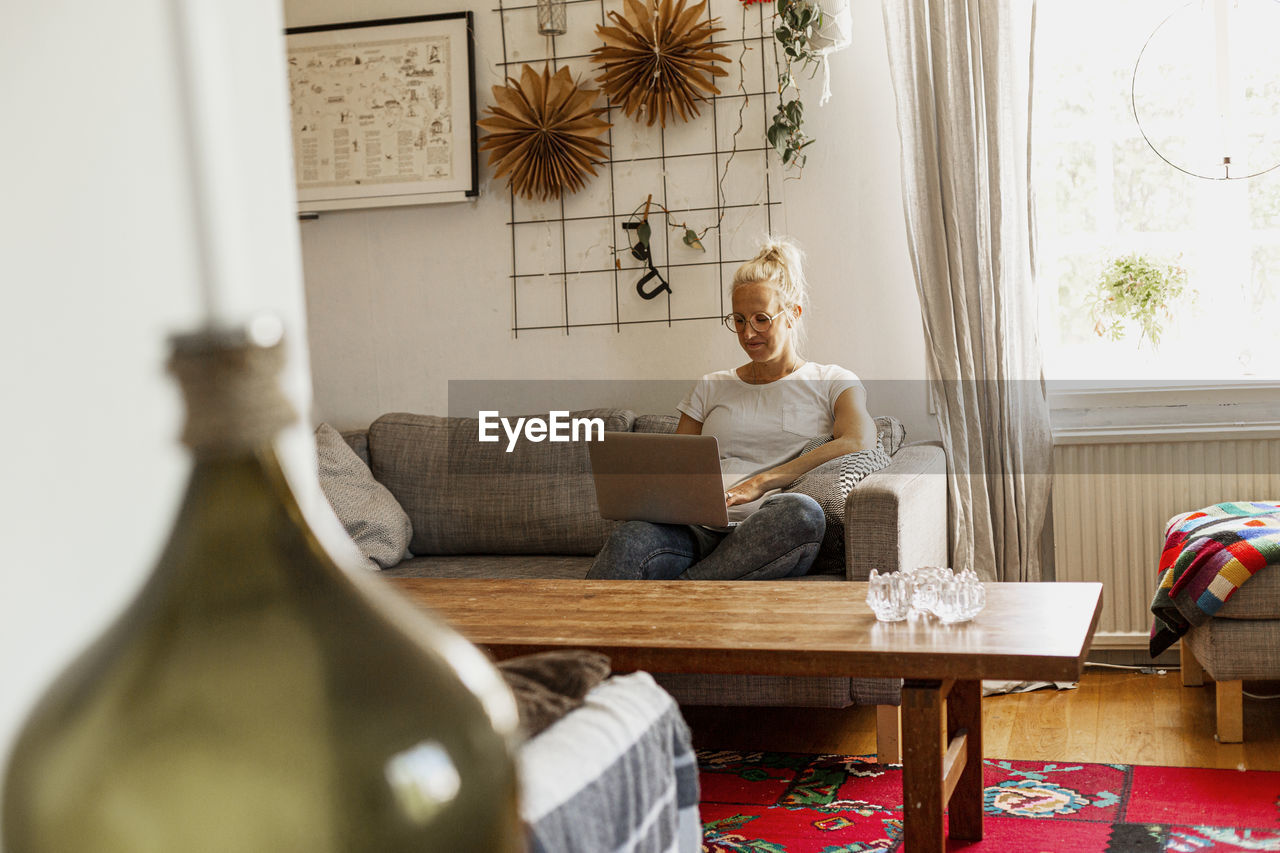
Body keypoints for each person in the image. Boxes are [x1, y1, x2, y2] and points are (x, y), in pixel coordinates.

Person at [587, 236, 879, 581]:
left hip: (770, 528)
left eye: (761, 319)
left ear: (793, 315)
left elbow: (860, 440)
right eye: (739, 320)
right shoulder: (711, 386)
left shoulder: (831, 380)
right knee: (630, 537)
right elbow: (673, 464)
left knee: (803, 514)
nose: (748, 333)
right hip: (698, 529)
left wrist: (762, 482)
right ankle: (568, 632)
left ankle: (687, 589)